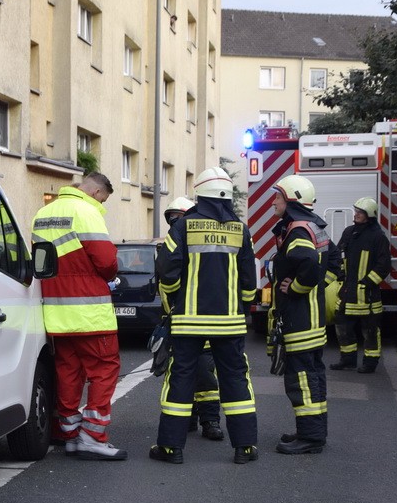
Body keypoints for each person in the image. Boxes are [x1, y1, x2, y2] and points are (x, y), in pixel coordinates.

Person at [150, 168, 258, 464]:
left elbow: (167, 271)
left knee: (181, 379)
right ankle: (245, 447)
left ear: (200, 194)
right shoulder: (240, 229)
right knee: (236, 380)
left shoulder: (183, 226)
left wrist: (173, 301)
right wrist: (242, 309)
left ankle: (172, 449)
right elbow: (249, 281)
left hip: (188, 321)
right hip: (230, 322)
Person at [31, 172, 127, 460]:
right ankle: (93, 436)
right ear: (97, 192)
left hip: (56, 314)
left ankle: (70, 433)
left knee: (68, 372)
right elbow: (107, 262)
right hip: (90, 314)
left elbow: (41, 263)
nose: (102, 204)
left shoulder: (43, 214)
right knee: (104, 369)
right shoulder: (87, 212)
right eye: (104, 199)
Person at [268, 175, 342, 455]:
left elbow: (309, 264)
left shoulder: (297, 230)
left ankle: (310, 438)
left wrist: (297, 288)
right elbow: (334, 261)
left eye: (278, 197)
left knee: (300, 379)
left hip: (301, 319)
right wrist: (319, 286)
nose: (274, 201)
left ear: (291, 200)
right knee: (313, 377)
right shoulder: (314, 227)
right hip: (313, 319)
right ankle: (312, 431)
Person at [160, 196, 224, 441]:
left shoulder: (197, 244)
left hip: (200, 320)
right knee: (181, 374)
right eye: (171, 217)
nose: (174, 220)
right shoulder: (172, 241)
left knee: (205, 377)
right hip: (177, 322)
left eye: (179, 216)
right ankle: (188, 419)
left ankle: (210, 421)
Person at [329, 197, 391, 374]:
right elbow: (339, 254)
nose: (355, 214)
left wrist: (367, 282)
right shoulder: (349, 232)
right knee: (342, 325)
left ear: (369, 215)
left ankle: (370, 363)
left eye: (360, 212)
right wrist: (341, 275)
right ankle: (347, 360)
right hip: (348, 292)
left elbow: (384, 265)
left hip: (368, 295)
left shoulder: (378, 237)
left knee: (370, 330)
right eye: (356, 211)